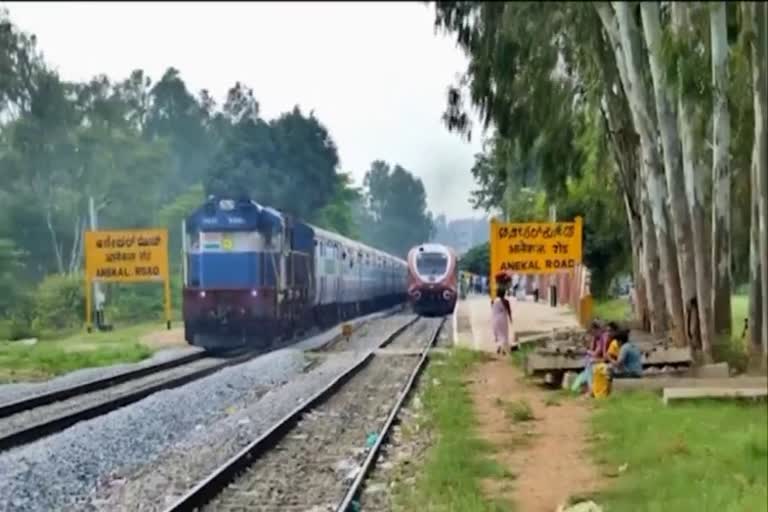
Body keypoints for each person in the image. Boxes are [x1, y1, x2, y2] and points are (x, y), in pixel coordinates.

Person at [491, 286, 512, 356]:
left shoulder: (493, 301)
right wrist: (510, 319)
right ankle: (503, 350)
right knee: (504, 335)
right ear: (504, 293)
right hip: (503, 320)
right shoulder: (506, 301)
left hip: (495, 319)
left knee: (498, 334)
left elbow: (493, 309)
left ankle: (499, 347)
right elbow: (509, 311)